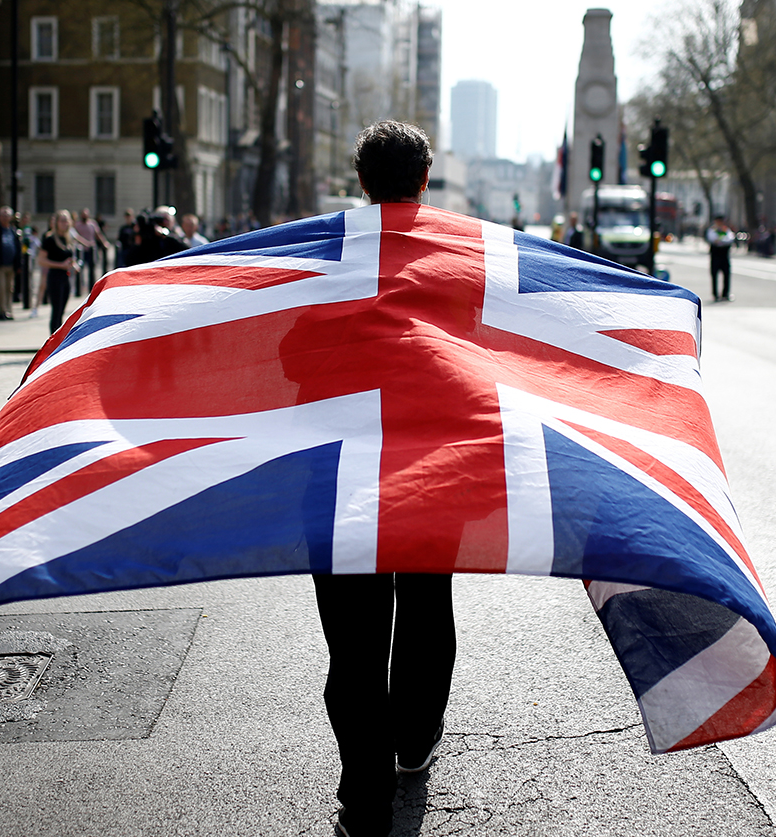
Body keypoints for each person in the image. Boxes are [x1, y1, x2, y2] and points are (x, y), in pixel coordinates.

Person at [314, 120, 456, 837]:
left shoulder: (326, 257)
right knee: (428, 612)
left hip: (343, 478)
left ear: (361, 182)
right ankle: (416, 739)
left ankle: (362, 802)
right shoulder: (460, 257)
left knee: (356, 643)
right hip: (432, 472)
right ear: (424, 181)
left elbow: (292, 356)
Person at [35, 210, 78, 333]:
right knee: (56, 311)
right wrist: (60, 265)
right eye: (62, 220)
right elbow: (41, 260)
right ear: (56, 222)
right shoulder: (49, 239)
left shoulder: (67, 238)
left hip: (66, 277)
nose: (65, 223)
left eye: (67, 220)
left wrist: (72, 264)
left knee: (62, 311)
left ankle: (58, 341)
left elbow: (68, 257)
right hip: (55, 278)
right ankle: (53, 342)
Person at [705, 215, 733, 301]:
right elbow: (711, 238)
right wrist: (718, 241)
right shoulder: (712, 230)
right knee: (714, 274)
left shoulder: (726, 230)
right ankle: (715, 294)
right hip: (715, 254)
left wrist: (721, 241)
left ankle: (725, 294)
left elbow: (730, 238)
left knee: (726, 274)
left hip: (724, 254)